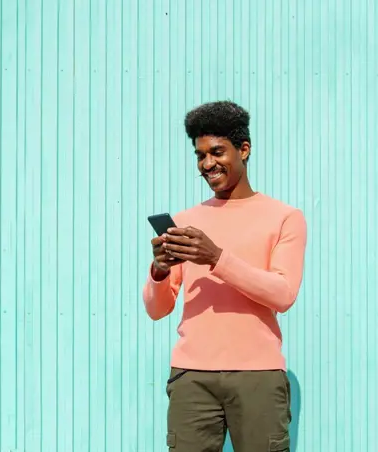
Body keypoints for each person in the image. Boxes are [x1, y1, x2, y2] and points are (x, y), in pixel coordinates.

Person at [142, 100, 307, 452]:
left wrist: (216, 258)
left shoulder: (285, 217)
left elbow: (283, 293)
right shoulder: (186, 220)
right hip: (191, 378)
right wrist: (158, 271)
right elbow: (157, 310)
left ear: (244, 149)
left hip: (258, 376)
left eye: (217, 152)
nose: (207, 164)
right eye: (200, 155)